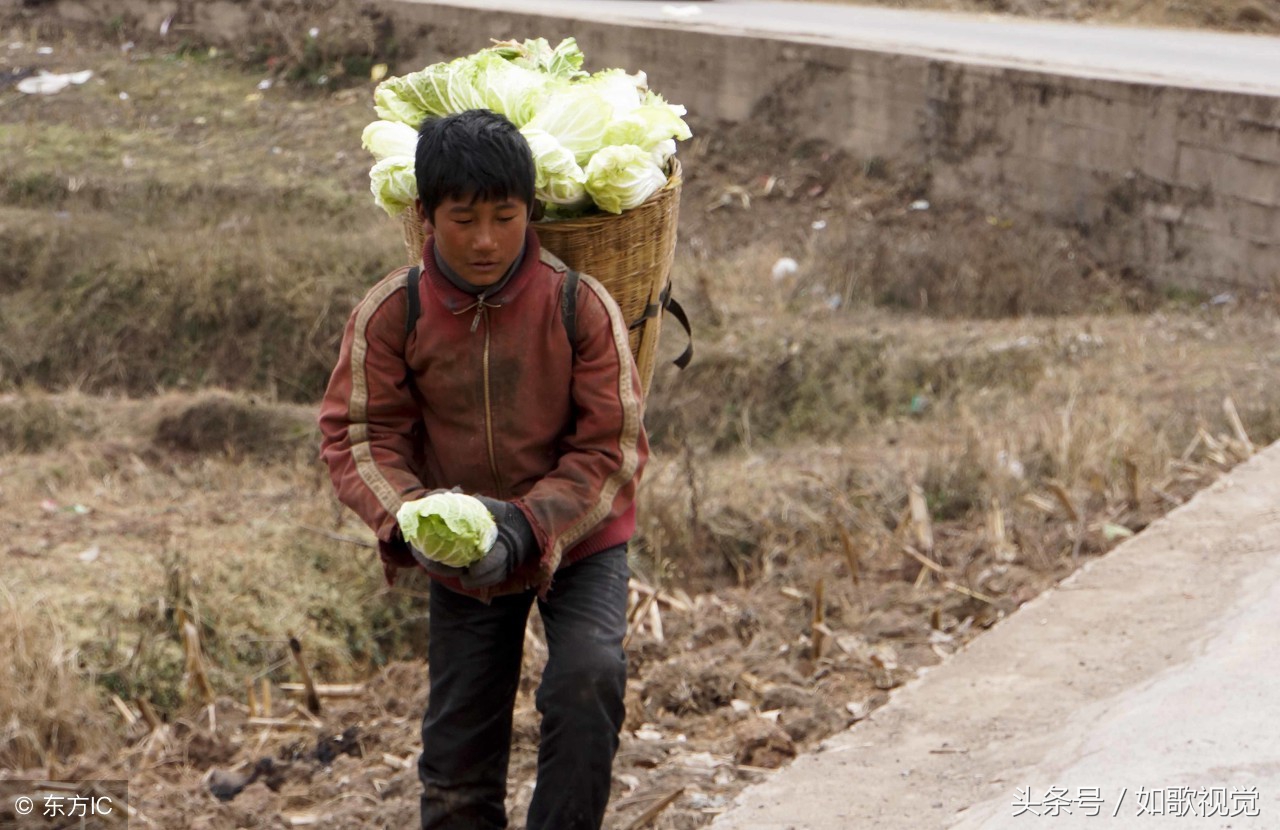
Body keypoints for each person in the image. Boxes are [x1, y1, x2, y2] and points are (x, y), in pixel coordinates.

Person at [317, 108, 648, 830]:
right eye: (464, 218)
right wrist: (415, 519)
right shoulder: (392, 312)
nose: (487, 240)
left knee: (588, 679)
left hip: (577, 539)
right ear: (426, 215)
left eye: (505, 216)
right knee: (460, 742)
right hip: (462, 553)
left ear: (530, 210)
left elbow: (610, 449)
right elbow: (359, 435)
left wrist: (523, 528)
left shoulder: (578, 304)